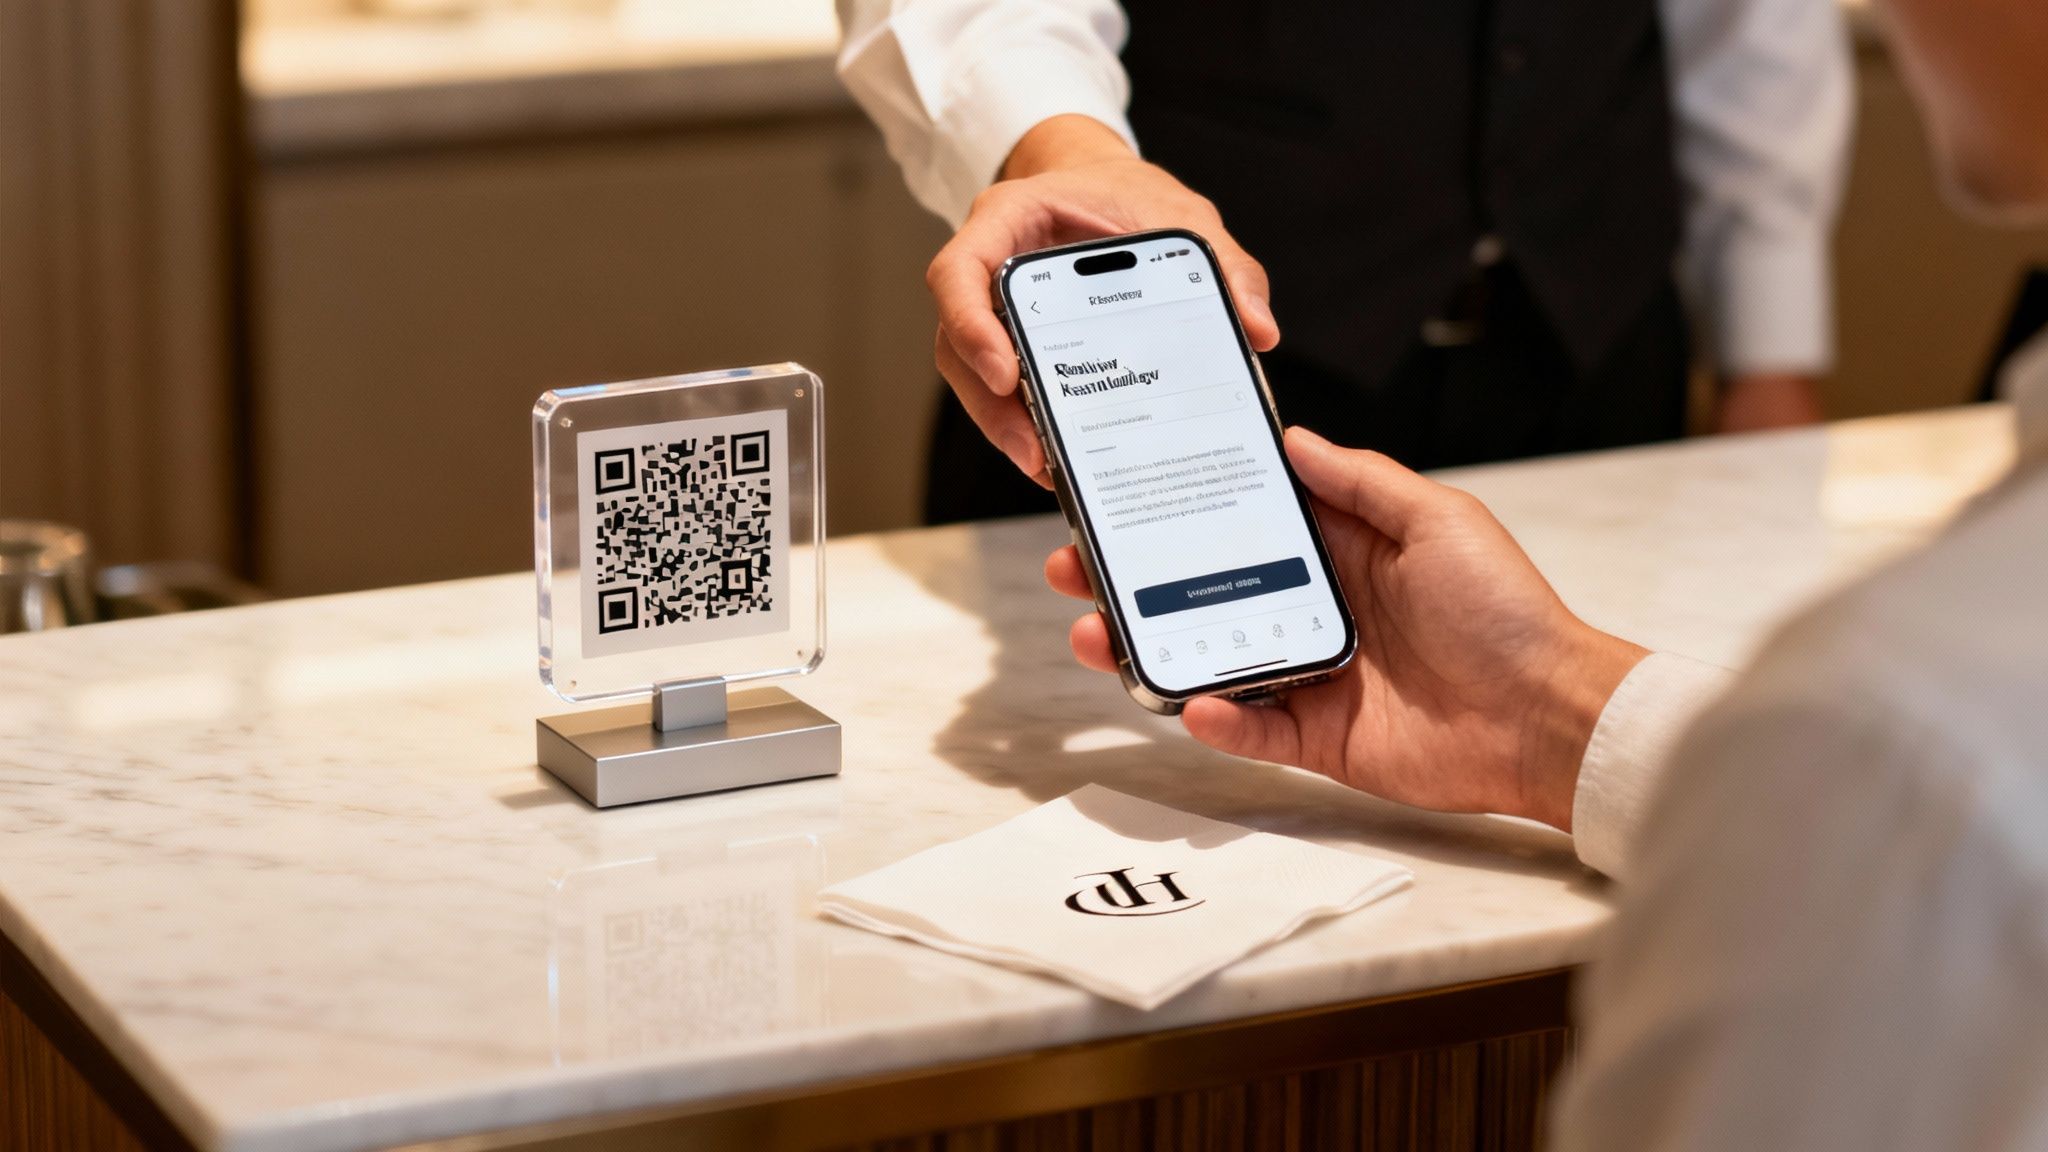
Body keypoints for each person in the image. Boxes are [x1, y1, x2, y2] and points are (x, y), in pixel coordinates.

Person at [1042, 0, 2048, 1141]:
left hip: (1587, 326)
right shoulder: (1887, 750)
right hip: (1243, 360)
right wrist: (1543, 714)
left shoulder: (1899, 745)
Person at [837, 0, 1852, 523]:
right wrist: (1068, 154)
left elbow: (1753, 23)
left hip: (1591, 351)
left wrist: (1768, 349)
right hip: (1187, 365)